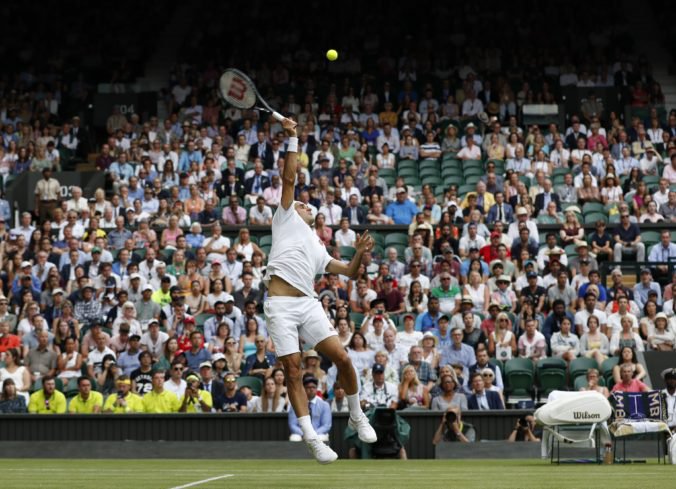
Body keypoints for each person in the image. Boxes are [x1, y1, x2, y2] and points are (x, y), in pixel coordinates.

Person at [263, 117, 375, 463]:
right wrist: (293, 139)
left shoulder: (317, 245)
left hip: (309, 304)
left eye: (307, 204)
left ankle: (357, 415)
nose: (304, 204)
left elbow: (349, 273)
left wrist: (359, 254)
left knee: (342, 357)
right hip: (280, 305)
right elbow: (289, 177)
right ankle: (310, 436)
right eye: (300, 202)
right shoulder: (284, 217)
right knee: (294, 371)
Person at [288, 375, 332, 442]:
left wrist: (312, 435)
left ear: (316, 389)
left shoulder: (324, 405)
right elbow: (292, 424)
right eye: (308, 387)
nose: (311, 389)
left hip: (318, 433)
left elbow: (326, 425)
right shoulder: (296, 404)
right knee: (294, 438)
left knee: (321, 438)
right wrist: (304, 434)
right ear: (304, 389)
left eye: (313, 387)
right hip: (301, 434)